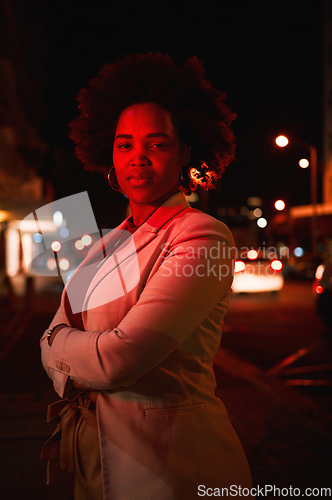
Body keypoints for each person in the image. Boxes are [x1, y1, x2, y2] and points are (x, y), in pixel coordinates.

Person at [40, 53, 253, 500]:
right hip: (92, 465)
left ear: (185, 153)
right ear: (108, 155)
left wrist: (61, 347)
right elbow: (50, 337)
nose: (137, 158)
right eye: (124, 145)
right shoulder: (103, 245)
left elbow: (121, 356)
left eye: (156, 144)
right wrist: (66, 346)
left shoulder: (203, 237)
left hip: (173, 470)